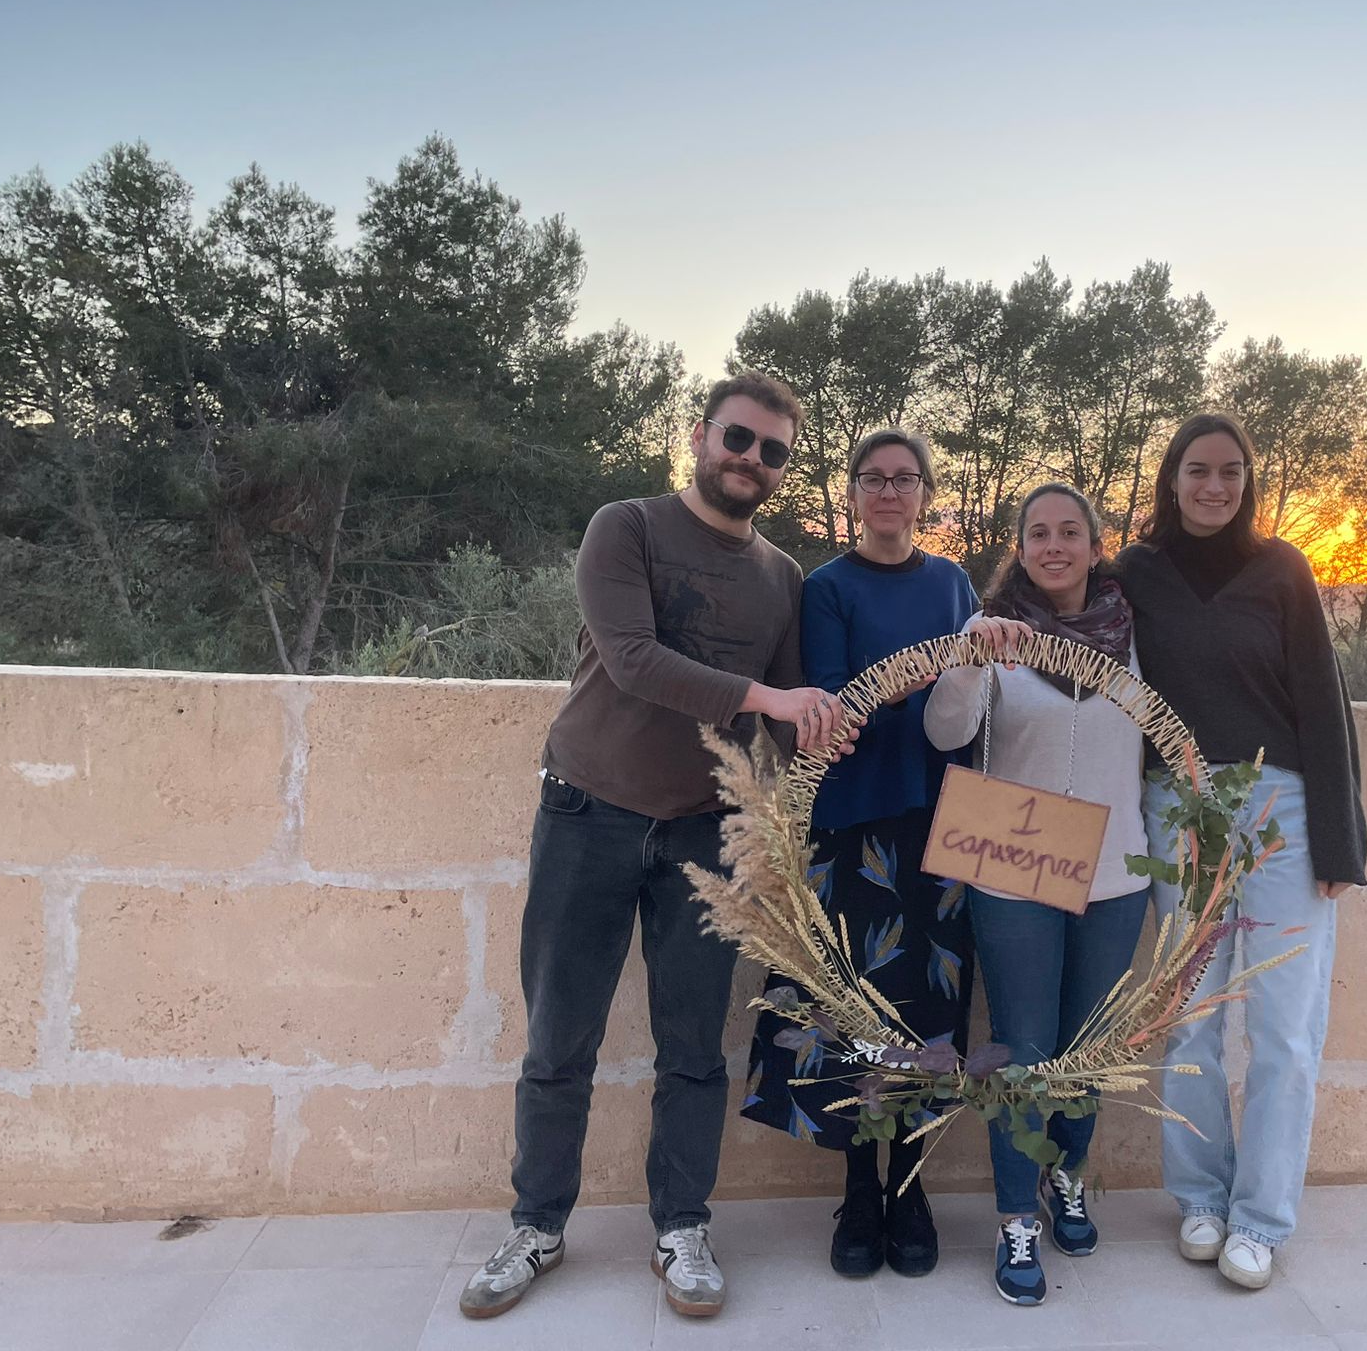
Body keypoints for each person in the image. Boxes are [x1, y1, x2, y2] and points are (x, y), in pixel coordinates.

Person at [460, 372, 858, 1323]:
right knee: (561, 1037)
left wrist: (839, 721)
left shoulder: (783, 578)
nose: (751, 461)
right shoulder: (626, 526)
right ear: (699, 435)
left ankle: (682, 1228)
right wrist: (768, 699)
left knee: (693, 1049)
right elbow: (633, 660)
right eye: (738, 439)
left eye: (772, 451)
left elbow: (787, 715)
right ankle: (537, 1226)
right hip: (586, 813)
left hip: (702, 834)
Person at [1116, 412, 1367, 1293]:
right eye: (1197, 470)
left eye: (1230, 472)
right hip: (1175, 806)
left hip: (1282, 811)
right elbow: (1066, 632)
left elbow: (1323, 709)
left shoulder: (1283, 571)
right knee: (1187, 1015)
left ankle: (1261, 1219)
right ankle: (1199, 1199)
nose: (1213, 487)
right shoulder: (1135, 573)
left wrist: (1340, 841)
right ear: (1171, 478)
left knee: (1284, 1028)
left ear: (1247, 482)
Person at [740, 429, 979, 1280]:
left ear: (923, 493)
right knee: (851, 1008)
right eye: (873, 479)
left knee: (927, 1012)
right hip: (850, 826)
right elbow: (837, 708)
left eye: (904, 479)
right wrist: (922, 673)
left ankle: (910, 1186)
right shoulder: (826, 587)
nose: (888, 491)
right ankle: (860, 1188)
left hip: (942, 828)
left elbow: (973, 698)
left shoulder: (954, 582)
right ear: (852, 494)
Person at [924, 483, 1152, 1308]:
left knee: (1087, 1047)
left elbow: (1166, 742)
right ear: (1018, 549)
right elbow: (945, 734)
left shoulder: (1134, 635)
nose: (1053, 546)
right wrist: (966, 655)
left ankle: (1067, 1179)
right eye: (1036, 534)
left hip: (1117, 873)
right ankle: (1016, 1216)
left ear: (1096, 545)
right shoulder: (998, 638)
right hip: (1014, 869)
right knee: (1024, 1045)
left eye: (1069, 532)